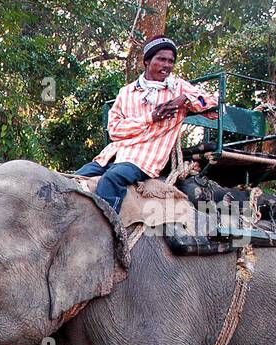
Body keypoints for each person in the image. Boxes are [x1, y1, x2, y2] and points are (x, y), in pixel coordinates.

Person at [75, 35, 216, 212]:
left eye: (171, 61)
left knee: (112, 179)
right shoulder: (127, 92)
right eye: (161, 59)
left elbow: (213, 102)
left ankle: (111, 232)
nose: (167, 65)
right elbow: (114, 130)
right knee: (76, 178)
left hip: (143, 160)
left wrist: (185, 98)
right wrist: (150, 118)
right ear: (147, 61)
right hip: (112, 155)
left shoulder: (178, 87)